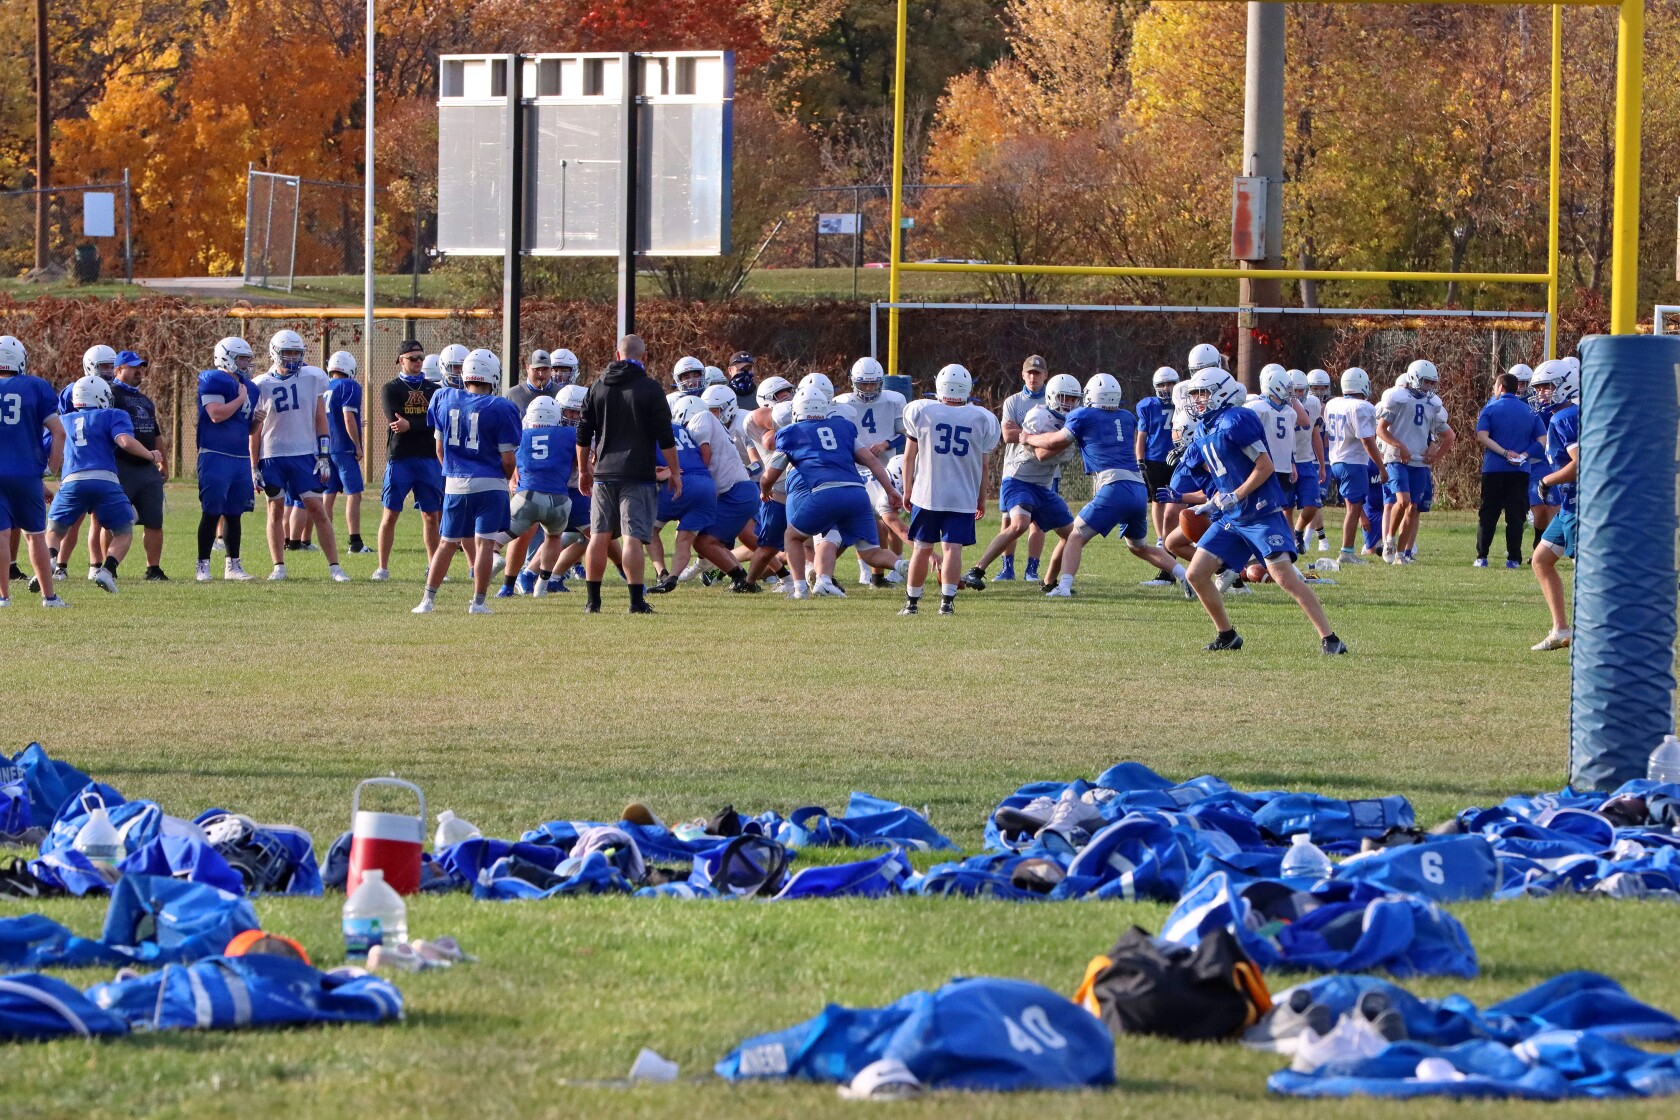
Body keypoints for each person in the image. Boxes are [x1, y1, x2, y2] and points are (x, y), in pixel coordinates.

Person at [1180, 368, 1346, 654]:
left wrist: (1236, 495)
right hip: (1233, 516)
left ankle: (1331, 639)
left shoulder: (1235, 420)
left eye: (1202, 393)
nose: (1197, 400)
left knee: (1284, 577)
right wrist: (1215, 499)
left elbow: (1265, 466)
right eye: (1194, 394)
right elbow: (1227, 475)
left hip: (1260, 512)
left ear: (1221, 393)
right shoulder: (1206, 428)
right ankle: (1227, 635)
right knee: (1195, 574)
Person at [1019, 373, 1186, 597]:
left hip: (1113, 486)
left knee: (1075, 536)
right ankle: (1186, 576)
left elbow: (1052, 441)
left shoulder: (1082, 415)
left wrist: (1027, 438)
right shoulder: (1127, 417)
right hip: (1138, 487)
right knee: (1139, 547)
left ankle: (1064, 586)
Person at [759, 389, 905, 604]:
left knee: (792, 537)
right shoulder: (842, 427)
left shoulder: (791, 433)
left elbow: (769, 476)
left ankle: (800, 589)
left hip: (825, 493)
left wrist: (764, 490)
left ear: (796, 410)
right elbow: (871, 460)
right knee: (871, 552)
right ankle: (903, 565)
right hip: (857, 493)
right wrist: (891, 490)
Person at [576, 334, 680, 615]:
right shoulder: (651, 388)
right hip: (638, 473)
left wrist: (584, 470)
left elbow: (583, 433)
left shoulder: (597, 386)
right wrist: (675, 471)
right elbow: (665, 436)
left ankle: (592, 602)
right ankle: (636, 602)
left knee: (599, 536)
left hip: (604, 473)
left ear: (617, 355)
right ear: (644, 357)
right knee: (632, 537)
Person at [413, 349, 521, 614]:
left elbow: (439, 449)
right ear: (493, 376)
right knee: (485, 544)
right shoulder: (502, 407)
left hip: (455, 482)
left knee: (447, 543)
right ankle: (479, 603)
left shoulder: (443, 397)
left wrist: (452, 473)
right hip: (490, 484)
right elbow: (508, 460)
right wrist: (503, 478)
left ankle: (427, 601)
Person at [898, 364, 1001, 615]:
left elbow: (909, 457)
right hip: (962, 494)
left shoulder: (921, 411)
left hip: (927, 492)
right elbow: (984, 466)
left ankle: (912, 604)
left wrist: (907, 489)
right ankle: (946, 603)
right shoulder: (982, 418)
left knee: (922, 547)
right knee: (952, 548)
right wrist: (981, 499)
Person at [250, 329, 349, 583]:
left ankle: (335, 567)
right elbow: (256, 430)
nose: (292, 358)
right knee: (275, 510)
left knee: (317, 508)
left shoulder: (312, 377)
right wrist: (253, 466)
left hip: (304, 454)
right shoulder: (260, 384)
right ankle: (278, 566)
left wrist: (324, 455)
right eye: (287, 353)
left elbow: (320, 419)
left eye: (296, 353)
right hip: (272, 455)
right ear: (275, 353)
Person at [964, 373, 1080, 589]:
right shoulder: (1039, 415)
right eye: (1065, 397)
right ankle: (976, 570)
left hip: (1042, 486)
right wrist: (1065, 439)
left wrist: (1054, 439)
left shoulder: (1072, 422)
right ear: (1052, 396)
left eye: (1074, 399)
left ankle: (1049, 582)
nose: (1070, 403)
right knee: (1019, 524)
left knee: (1072, 535)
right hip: (1019, 480)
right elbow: (1041, 455)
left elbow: (1052, 449)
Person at [47, 375, 160, 594]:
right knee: (123, 531)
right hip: (104, 480)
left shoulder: (64, 420)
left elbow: (47, 448)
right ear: (100, 397)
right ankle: (107, 571)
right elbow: (125, 441)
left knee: (55, 529)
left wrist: (45, 473)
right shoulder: (113, 414)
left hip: (72, 481)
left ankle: (50, 560)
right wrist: (150, 455)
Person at [0, 335, 67, 607]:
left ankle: (3, 597)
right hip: (27, 474)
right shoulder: (36, 386)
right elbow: (59, 432)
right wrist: (50, 468)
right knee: (35, 535)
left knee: (1, 534)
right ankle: (48, 597)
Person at [834, 356, 909, 585]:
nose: (868, 389)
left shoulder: (894, 400)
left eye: (872, 384)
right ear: (853, 382)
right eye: (863, 384)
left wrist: (885, 443)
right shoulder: (842, 403)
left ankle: (896, 566)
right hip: (855, 468)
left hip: (886, 467)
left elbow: (905, 433)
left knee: (891, 519)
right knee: (868, 521)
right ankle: (867, 570)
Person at [374, 340, 445, 581]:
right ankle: (382, 568)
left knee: (431, 516)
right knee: (390, 514)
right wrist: (420, 425)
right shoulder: (391, 388)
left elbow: (436, 422)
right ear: (400, 360)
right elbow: (395, 421)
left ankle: (434, 566)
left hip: (428, 458)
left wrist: (411, 425)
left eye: (421, 358)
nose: (418, 362)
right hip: (401, 458)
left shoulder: (434, 390)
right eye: (413, 358)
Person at [194, 337, 260, 582]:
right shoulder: (213, 379)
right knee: (212, 511)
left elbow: (246, 427)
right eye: (241, 358)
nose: (245, 363)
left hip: (240, 456)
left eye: (247, 359)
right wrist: (240, 400)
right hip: (215, 454)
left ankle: (233, 566)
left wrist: (258, 421)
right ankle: (202, 566)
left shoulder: (250, 387)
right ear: (226, 357)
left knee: (234, 512)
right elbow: (216, 414)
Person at [1375, 360, 1454, 564]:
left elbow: (1449, 435)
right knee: (1403, 501)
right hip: (1397, 459)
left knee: (1412, 508)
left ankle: (1401, 554)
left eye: (1432, 382)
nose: (1429, 386)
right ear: (1413, 378)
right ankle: (1389, 540)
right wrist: (1399, 445)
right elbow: (1380, 430)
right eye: (1426, 381)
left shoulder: (1432, 404)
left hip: (1419, 462)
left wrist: (1435, 452)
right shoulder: (1398, 399)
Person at [497, 397, 576, 599]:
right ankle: (542, 585)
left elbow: (508, 459)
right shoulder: (569, 433)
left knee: (494, 541)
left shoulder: (520, 435)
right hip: (559, 500)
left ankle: (504, 580)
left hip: (527, 497)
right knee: (554, 538)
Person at [685, 383, 761, 592]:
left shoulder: (742, 423)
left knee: (740, 537)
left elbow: (758, 463)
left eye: (715, 410)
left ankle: (780, 573)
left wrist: (741, 471)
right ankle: (743, 577)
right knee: (733, 538)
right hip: (731, 487)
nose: (712, 414)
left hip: (748, 483)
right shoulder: (710, 424)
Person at [104, 349, 171, 581]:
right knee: (112, 520)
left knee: (154, 520)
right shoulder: (111, 394)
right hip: (121, 465)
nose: (138, 371)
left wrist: (163, 463)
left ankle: (153, 569)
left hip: (147, 468)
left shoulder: (145, 400)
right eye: (133, 367)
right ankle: (106, 567)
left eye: (140, 367)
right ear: (119, 369)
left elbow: (155, 433)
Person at [1529, 362, 1580, 650]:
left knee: (1586, 572)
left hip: (1581, 504)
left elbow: (1580, 463)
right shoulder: (1564, 415)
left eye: (1547, 387)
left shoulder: (1565, 417)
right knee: (1541, 559)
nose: (1541, 394)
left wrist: (1547, 480)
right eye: (1538, 389)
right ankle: (1561, 629)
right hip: (1568, 505)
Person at [985, 355, 1050, 583]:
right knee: (1009, 520)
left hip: (1044, 469)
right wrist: (1040, 435)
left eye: (1037, 373)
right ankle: (1007, 568)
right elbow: (1007, 435)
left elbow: (1058, 435)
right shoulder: (1013, 402)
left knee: (1038, 522)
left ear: (1045, 375)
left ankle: (1032, 570)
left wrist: (1022, 431)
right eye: (1029, 373)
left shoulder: (1052, 400)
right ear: (1023, 375)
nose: (1033, 377)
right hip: (1015, 470)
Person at [1473, 371, 1546, 569]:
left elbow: (1482, 436)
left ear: (1500, 387)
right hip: (1521, 471)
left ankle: (1482, 557)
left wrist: (1505, 453)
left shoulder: (1490, 409)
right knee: (1516, 516)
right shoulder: (1530, 411)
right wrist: (1523, 456)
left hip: (1494, 470)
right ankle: (1513, 559)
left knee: (1488, 514)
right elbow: (1542, 439)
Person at [647, 396, 719, 593]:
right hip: (706, 484)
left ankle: (661, 572)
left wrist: (657, 473)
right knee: (684, 540)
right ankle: (673, 577)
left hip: (679, 481)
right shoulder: (683, 429)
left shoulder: (647, 430)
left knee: (649, 529)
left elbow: (639, 464)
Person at [1322, 368, 1383, 565]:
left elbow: (1327, 435)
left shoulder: (1333, 403)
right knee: (1353, 508)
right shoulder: (1362, 407)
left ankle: (1349, 550)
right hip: (1353, 462)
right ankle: (1346, 552)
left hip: (1337, 460)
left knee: (1352, 506)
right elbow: (1367, 441)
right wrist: (1381, 467)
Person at [320, 350, 369, 555]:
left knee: (328, 494)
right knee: (354, 494)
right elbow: (348, 416)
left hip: (325, 447)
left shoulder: (324, 386)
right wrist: (357, 445)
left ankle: (326, 540)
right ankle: (355, 542)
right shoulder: (349, 385)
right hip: (343, 447)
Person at [1136, 366, 1179, 547]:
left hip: (1178, 458)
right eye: (1162, 384)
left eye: (1170, 383)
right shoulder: (1148, 406)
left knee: (1178, 499)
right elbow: (1142, 436)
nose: (1167, 388)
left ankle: (1177, 535)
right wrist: (1140, 460)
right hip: (1155, 458)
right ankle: (1161, 537)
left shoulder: (1183, 402)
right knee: (1158, 500)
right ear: (1155, 386)